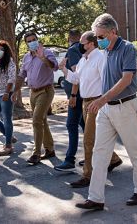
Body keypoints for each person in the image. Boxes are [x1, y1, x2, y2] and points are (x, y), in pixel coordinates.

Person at [76, 13, 137, 211]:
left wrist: (101, 99)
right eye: (97, 37)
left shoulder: (127, 49)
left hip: (125, 106)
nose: (98, 40)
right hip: (106, 109)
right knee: (100, 153)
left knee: (135, 152)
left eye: (101, 36)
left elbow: (126, 79)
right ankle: (96, 198)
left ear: (113, 32)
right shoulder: (105, 51)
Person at [59, 31, 123, 188]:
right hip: (85, 102)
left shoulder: (100, 58)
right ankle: (113, 159)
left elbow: (107, 80)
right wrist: (64, 70)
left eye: (83, 43)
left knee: (88, 139)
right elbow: (76, 79)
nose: (80, 46)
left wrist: (103, 102)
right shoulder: (83, 60)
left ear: (91, 43)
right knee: (94, 138)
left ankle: (88, 175)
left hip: (96, 102)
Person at [12, 31, 58, 164]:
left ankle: (36, 153)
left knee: (36, 120)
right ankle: (50, 149)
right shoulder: (26, 57)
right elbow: (21, 75)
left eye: (34, 39)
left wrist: (43, 58)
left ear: (37, 40)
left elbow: (54, 67)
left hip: (46, 91)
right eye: (29, 41)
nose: (32, 42)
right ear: (26, 44)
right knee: (42, 120)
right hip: (33, 92)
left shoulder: (47, 52)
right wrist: (15, 91)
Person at [54, 29, 85, 172]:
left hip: (76, 96)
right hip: (81, 95)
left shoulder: (72, 50)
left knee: (71, 125)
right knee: (86, 127)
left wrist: (73, 95)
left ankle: (69, 160)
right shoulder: (83, 50)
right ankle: (98, 156)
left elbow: (76, 75)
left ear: (69, 38)